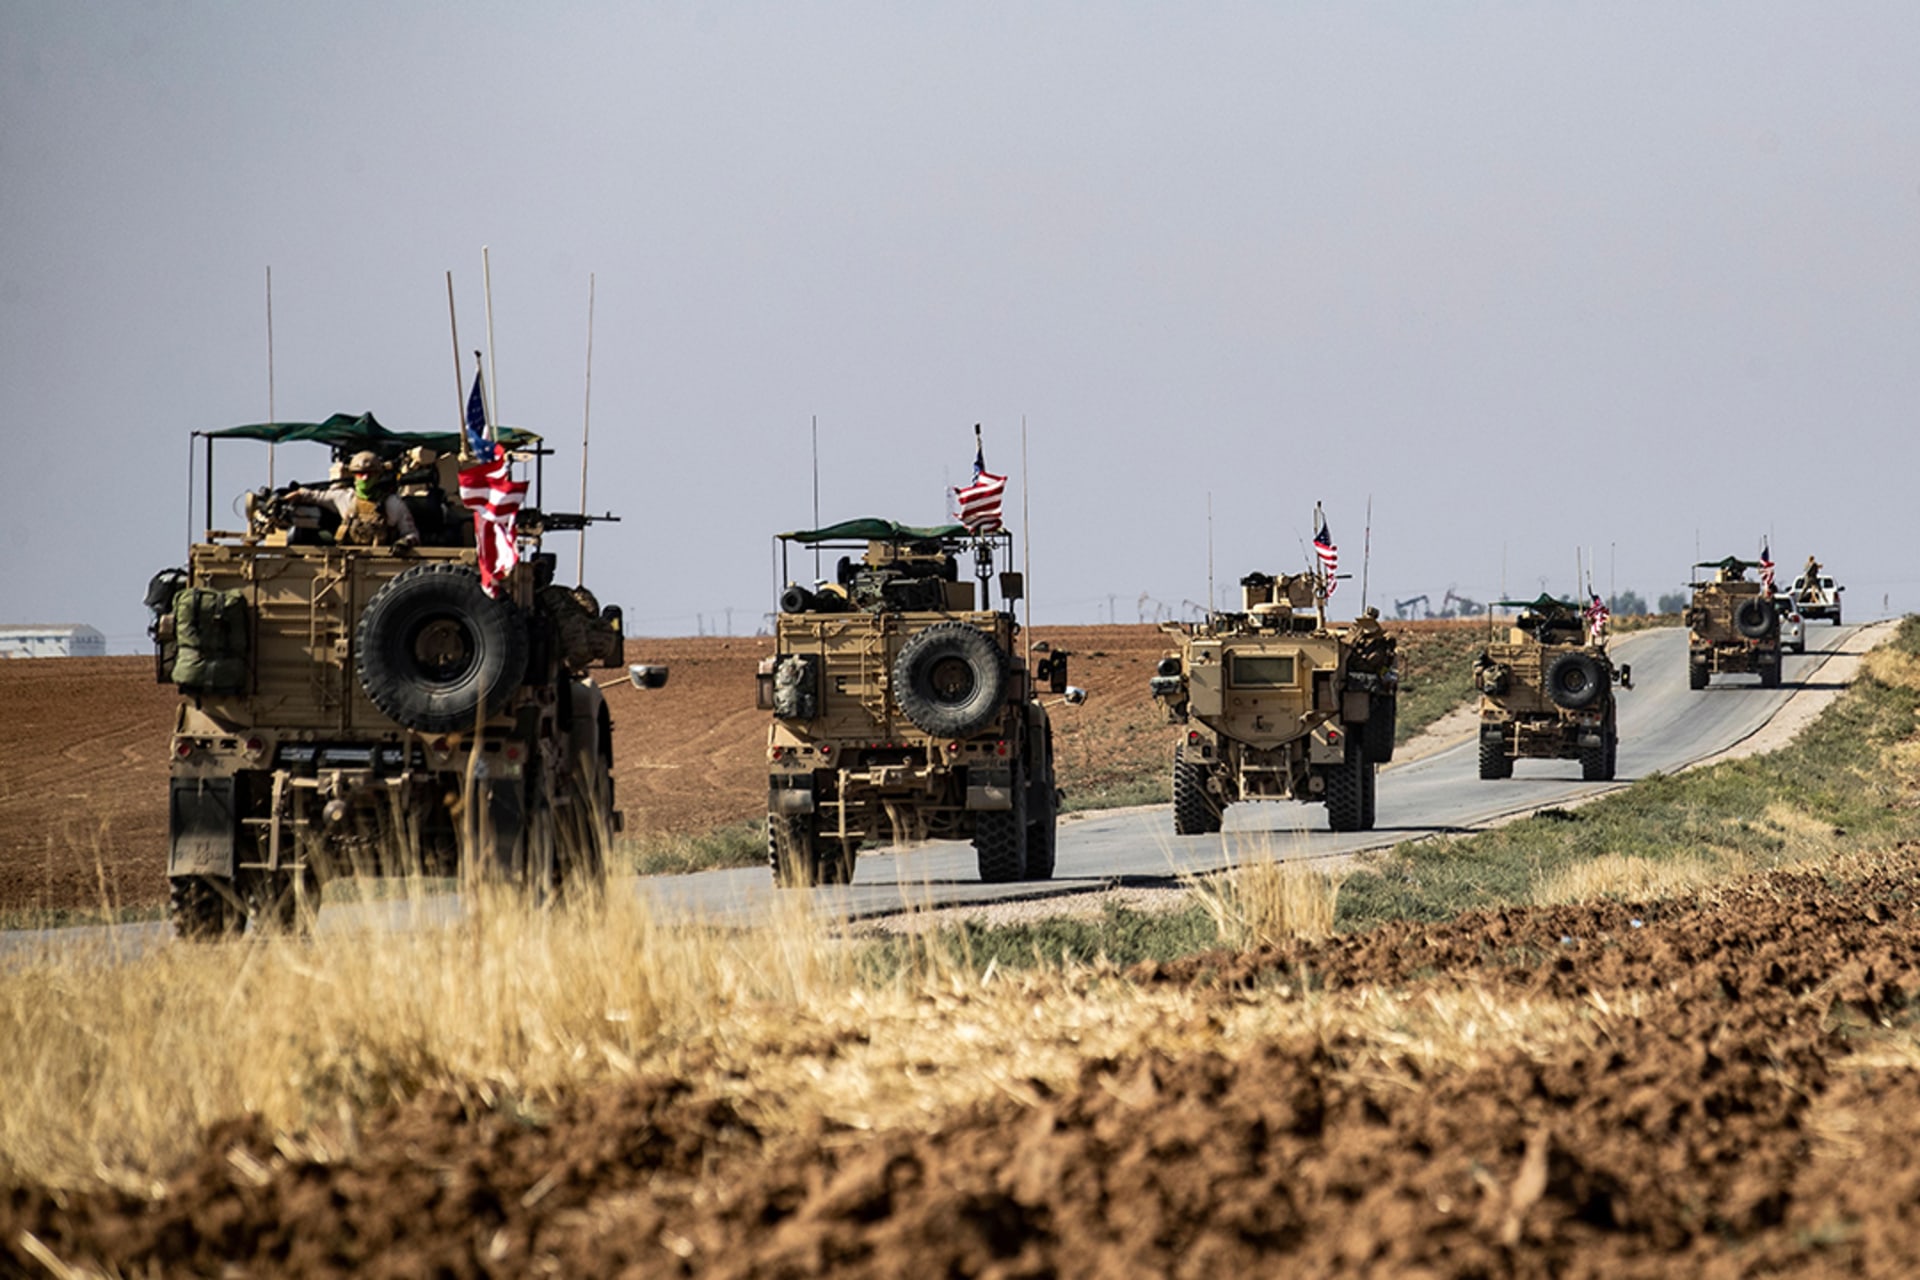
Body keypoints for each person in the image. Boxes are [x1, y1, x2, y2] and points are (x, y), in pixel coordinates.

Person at [284, 450, 420, 546]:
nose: (365, 479)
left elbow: (412, 534)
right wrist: (288, 498)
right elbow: (313, 496)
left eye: (370, 474)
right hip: (347, 557)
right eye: (360, 474)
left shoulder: (392, 503)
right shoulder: (344, 497)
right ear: (354, 476)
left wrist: (404, 543)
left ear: (378, 476)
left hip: (380, 562)